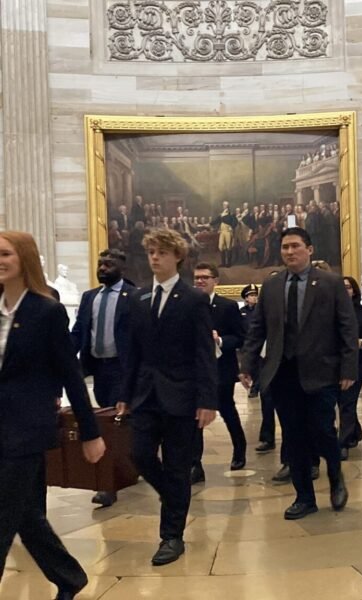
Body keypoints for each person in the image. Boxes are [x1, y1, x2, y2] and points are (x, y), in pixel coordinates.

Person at [0, 231, 106, 600]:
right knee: (26, 517)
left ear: (24, 259)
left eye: (5, 254)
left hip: (26, 428)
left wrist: (90, 431)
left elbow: (70, 374)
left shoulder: (46, 311)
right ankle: (69, 576)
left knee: (1, 516)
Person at [239, 227, 358, 520]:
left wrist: (349, 368)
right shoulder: (272, 285)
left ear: (309, 249)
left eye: (295, 246)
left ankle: (335, 475)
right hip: (283, 372)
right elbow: (258, 329)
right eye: (285, 248)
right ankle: (304, 497)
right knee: (293, 436)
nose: (289, 252)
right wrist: (247, 364)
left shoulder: (329, 284)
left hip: (321, 371)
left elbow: (347, 327)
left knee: (323, 430)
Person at [117, 228, 217, 567]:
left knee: (177, 467)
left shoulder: (193, 299)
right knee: (139, 454)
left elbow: (204, 353)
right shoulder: (138, 297)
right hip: (145, 394)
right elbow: (131, 350)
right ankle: (173, 498)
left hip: (183, 396)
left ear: (177, 256)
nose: (155, 258)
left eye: (161, 252)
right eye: (151, 252)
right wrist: (124, 394)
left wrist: (208, 400)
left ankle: (171, 536)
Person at [71, 248, 135, 507]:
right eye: (100, 263)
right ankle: (130, 466)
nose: (103, 268)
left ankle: (108, 485)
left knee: (112, 424)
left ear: (121, 267)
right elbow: (79, 332)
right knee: (112, 418)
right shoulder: (89, 297)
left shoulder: (134, 296)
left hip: (124, 367)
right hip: (98, 368)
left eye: (109, 264)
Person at [191, 262, 247, 483]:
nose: (200, 281)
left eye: (205, 277)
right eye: (197, 277)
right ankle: (195, 464)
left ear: (216, 281)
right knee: (196, 418)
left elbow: (240, 337)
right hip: (194, 371)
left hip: (221, 369)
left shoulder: (227, 306)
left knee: (228, 411)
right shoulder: (187, 305)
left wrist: (220, 340)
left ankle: (239, 449)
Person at [339, 277, 362, 460]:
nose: (345, 290)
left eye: (348, 287)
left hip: (355, 365)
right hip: (333, 364)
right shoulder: (329, 311)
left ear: (354, 290)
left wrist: (361, 342)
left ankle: (343, 443)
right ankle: (355, 432)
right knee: (343, 403)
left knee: (347, 403)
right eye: (342, 287)